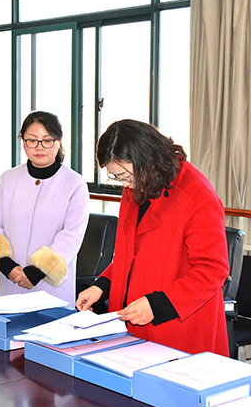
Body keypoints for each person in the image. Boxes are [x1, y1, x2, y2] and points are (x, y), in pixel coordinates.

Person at [76, 119, 229, 356]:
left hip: (178, 326)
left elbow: (212, 270)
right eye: (116, 177)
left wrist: (158, 305)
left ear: (147, 159)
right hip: (133, 322)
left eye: (126, 176)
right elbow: (131, 254)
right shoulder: (138, 183)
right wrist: (102, 285)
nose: (125, 185)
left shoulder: (197, 195)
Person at [0, 111, 89, 307]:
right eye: (32, 140)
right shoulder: (8, 179)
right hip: (10, 281)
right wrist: (7, 265)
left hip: (49, 286)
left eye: (47, 140)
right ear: (23, 142)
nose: (39, 147)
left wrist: (36, 271)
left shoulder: (74, 183)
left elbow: (72, 235)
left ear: (59, 142)